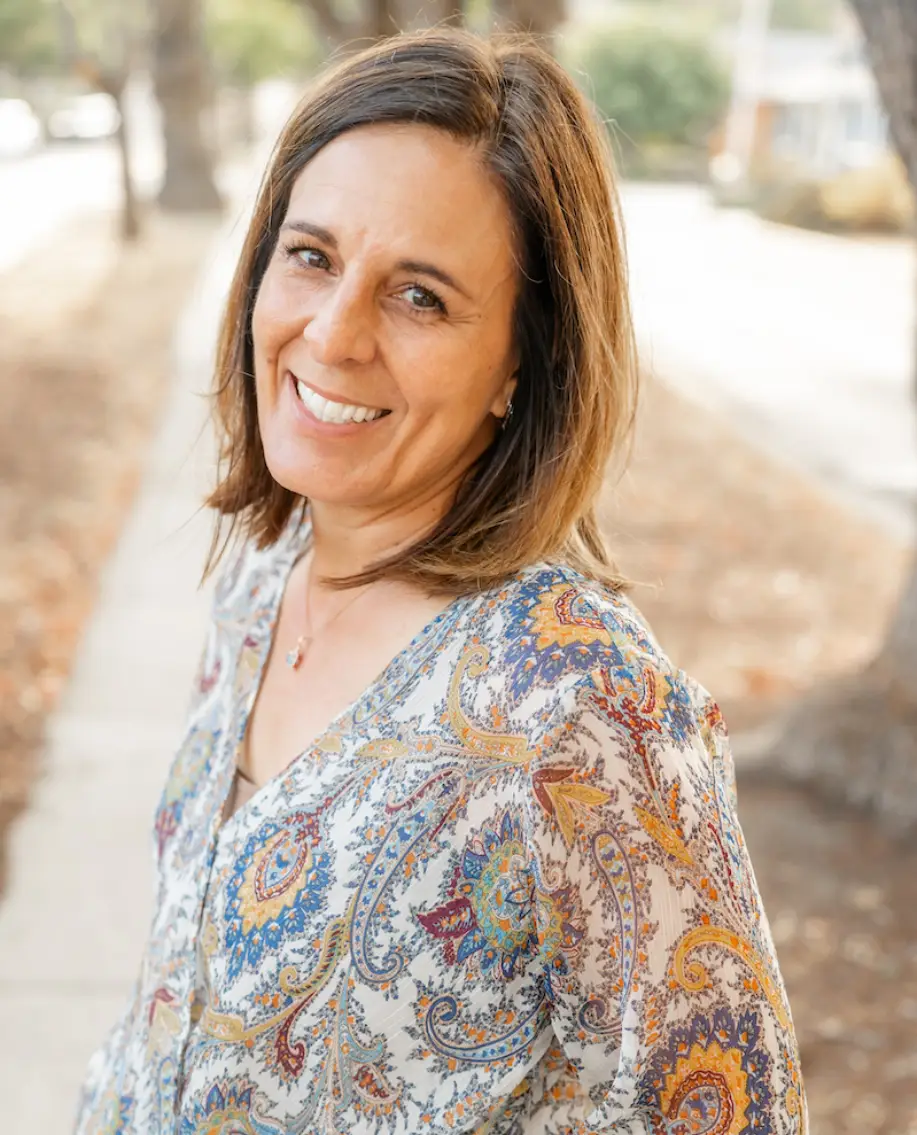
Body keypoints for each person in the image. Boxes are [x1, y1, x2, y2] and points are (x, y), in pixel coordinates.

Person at [75, 27, 805, 1135]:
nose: (331, 333)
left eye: (418, 297)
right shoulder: (268, 576)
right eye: (310, 255)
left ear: (522, 362)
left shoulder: (584, 711)